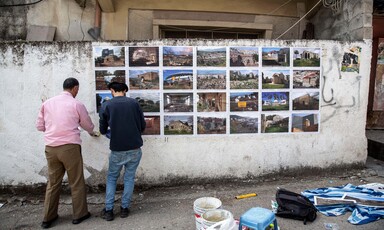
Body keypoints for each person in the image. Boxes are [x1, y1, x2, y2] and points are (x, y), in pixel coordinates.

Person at [36, 77, 99, 228]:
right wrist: (91, 132)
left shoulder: (47, 103)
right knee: (76, 181)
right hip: (70, 147)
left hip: (51, 148)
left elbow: (39, 126)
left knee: (53, 182)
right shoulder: (76, 104)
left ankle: (48, 218)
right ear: (75, 88)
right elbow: (87, 124)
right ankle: (79, 214)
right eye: (78, 89)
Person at [99, 82, 146, 221]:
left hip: (117, 149)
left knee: (112, 178)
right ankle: (124, 208)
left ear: (112, 90)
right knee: (129, 178)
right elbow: (142, 125)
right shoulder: (134, 103)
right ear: (125, 90)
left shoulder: (107, 105)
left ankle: (109, 211)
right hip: (135, 148)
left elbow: (102, 128)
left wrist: (108, 133)